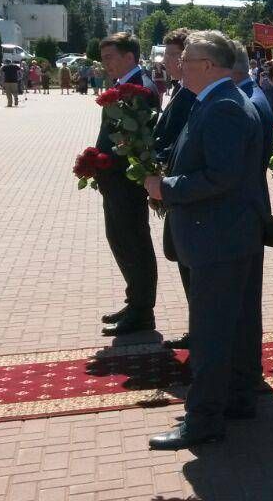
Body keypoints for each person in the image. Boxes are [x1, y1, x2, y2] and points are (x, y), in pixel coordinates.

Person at [144, 30, 266, 450]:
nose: (176, 65)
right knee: (231, 326)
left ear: (209, 66)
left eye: (186, 60)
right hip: (223, 235)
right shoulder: (212, 102)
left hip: (218, 237)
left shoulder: (223, 108)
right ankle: (235, 399)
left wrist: (167, 187)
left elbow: (221, 176)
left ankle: (204, 419)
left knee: (212, 332)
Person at [94, 33, 163, 336]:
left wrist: (108, 163)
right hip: (114, 181)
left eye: (110, 57)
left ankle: (142, 311)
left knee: (133, 242)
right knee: (119, 239)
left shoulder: (141, 90)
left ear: (129, 57)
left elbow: (139, 142)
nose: (104, 63)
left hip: (128, 182)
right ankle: (134, 300)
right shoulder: (123, 86)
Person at [151, 28, 197, 350]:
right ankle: (198, 327)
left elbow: (183, 143)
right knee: (182, 261)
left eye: (171, 55)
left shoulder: (195, 97)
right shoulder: (180, 90)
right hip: (173, 189)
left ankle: (201, 329)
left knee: (191, 265)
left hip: (186, 193)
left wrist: (158, 163)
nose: (165, 61)